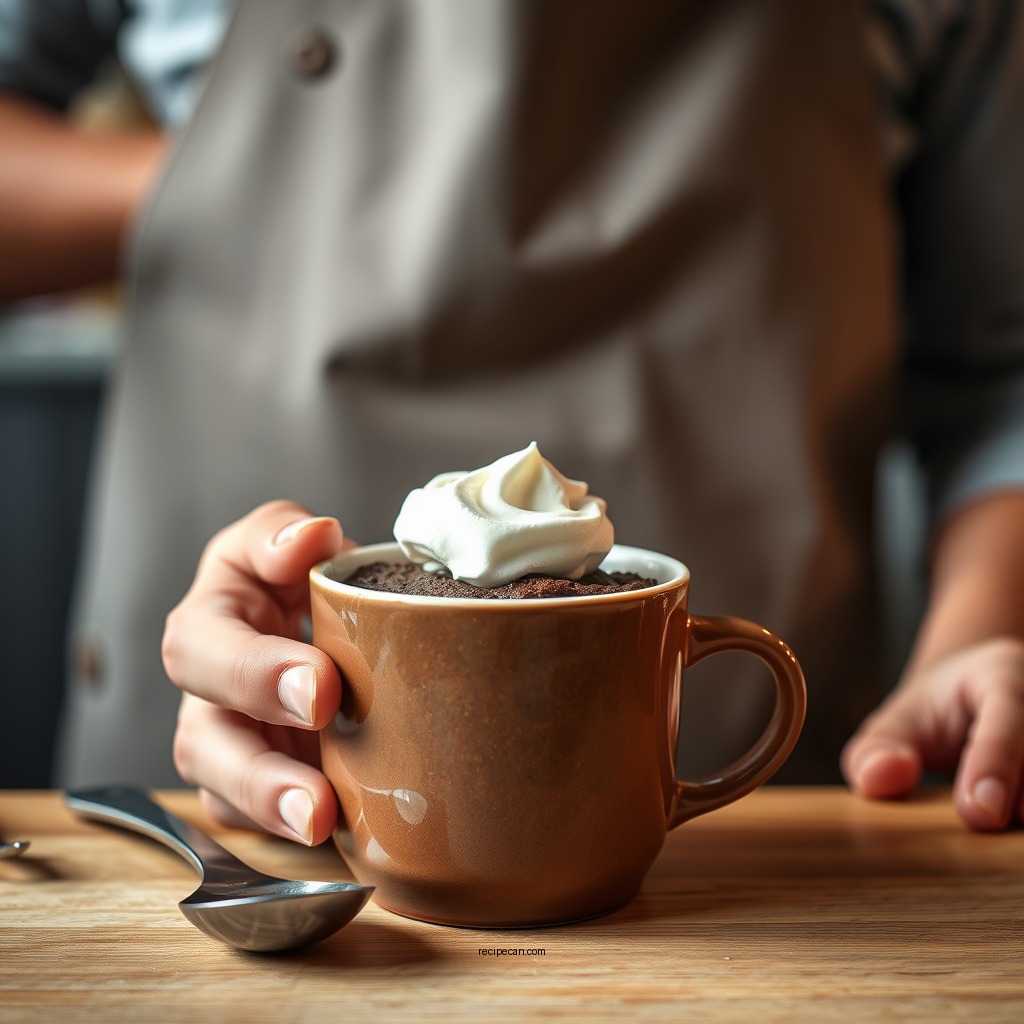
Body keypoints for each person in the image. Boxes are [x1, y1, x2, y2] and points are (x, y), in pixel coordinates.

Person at [2, 1, 1023, 846]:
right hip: (240, 805)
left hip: (763, 831)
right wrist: (212, 190)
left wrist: (974, 637)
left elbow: (998, 365)